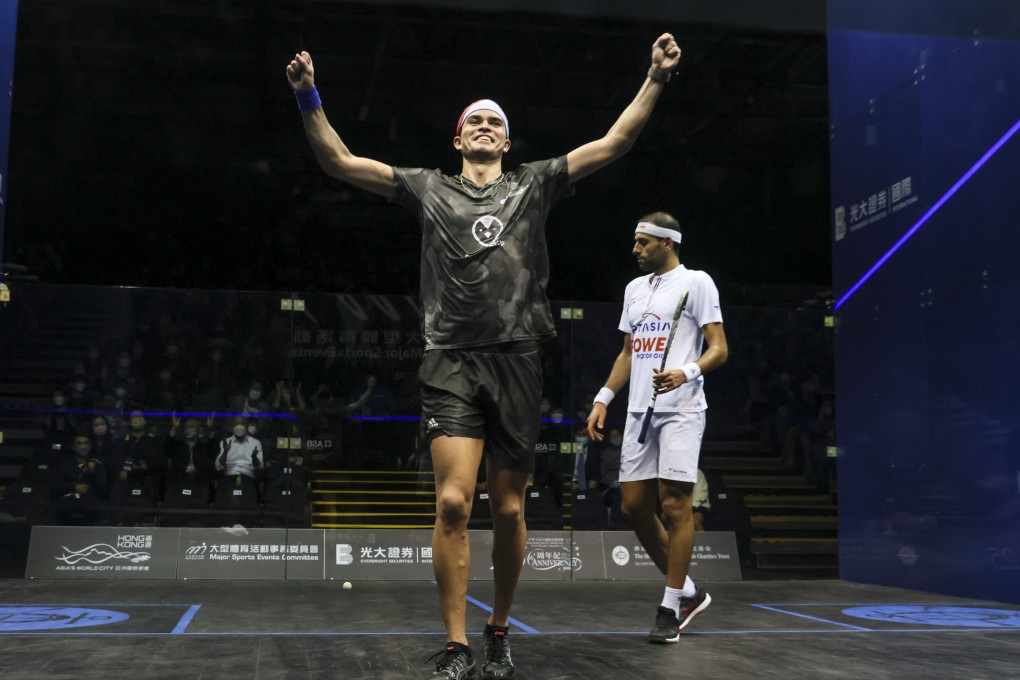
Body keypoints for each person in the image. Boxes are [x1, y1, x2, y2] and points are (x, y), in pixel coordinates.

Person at [287, 32, 681, 680]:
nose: (485, 126)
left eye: (496, 122)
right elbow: (339, 161)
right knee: (450, 504)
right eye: (475, 119)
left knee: (508, 510)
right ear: (458, 138)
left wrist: (656, 76)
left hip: (519, 358)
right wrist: (308, 94)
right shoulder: (426, 190)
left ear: (506, 141)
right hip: (449, 359)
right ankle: (456, 644)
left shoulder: (537, 184)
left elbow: (614, 144)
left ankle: (497, 633)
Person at [586, 212, 728, 644]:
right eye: (635, 242)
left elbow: (719, 348)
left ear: (667, 243)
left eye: (643, 242)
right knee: (632, 505)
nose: (635, 250)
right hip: (638, 411)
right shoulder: (634, 290)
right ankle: (687, 590)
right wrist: (603, 397)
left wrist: (686, 371)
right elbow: (629, 352)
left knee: (674, 504)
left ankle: (669, 606)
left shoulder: (697, 282)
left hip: (682, 408)